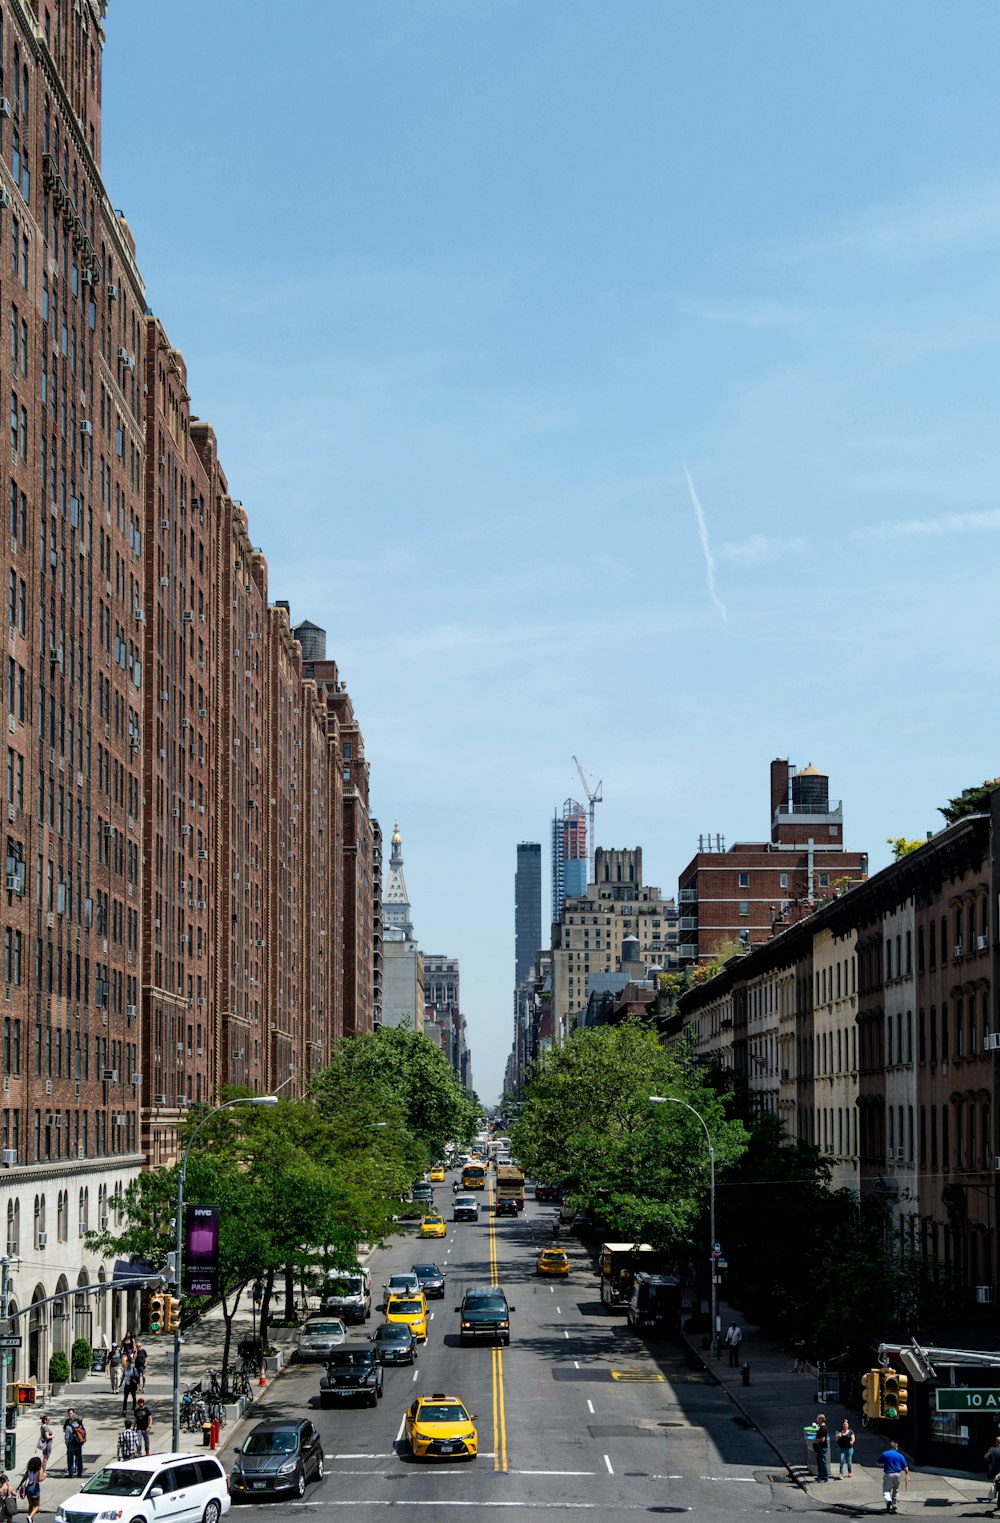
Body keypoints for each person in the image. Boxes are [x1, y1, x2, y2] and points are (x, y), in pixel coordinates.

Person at [878, 1440, 909, 1513]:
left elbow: (878, 1462)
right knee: (896, 1489)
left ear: (889, 1447)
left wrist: (882, 1465)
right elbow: (906, 1468)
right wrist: (907, 1475)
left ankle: (888, 1501)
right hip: (898, 1474)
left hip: (888, 1474)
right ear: (897, 1448)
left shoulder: (885, 1454)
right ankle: (894, 1505)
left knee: (886, 1490)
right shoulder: (900, 1456)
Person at [63, 1409, 84, 1479]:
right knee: (79, 1458)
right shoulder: (79, 1422)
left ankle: (71, 1474)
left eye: (71, 1413)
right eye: (69, 1413)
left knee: (70, 1459)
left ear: (74, 1413)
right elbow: (83, 1431)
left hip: (71, 1443)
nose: (70, 1415)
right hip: (78, 1443)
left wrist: (67, 1444)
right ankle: (80, 1473)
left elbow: (66, 1437)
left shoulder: (68, 1426)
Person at [35, 1415, 54, 1480]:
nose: (49, 1421)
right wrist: (53, 1436)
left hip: (47, 1444)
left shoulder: (43, 1427)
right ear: (45, 1420)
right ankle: (43, 1472)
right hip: (47, 1444)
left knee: (45, 1458)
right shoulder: (45, 1428)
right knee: (45, 1458)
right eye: (48, 1420)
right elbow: (47, 1436)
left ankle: (43, 1471)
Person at [984, 1434, 1000, 1509]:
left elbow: (985, 1457)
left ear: (996, 1443)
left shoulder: (992, 1449)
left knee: (997, 1486)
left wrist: (992, 1461)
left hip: (995, 1472)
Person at [813, 1413, 830, 1482]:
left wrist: (815, 1440)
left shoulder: (823, 1428)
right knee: (819, 1461)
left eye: (818, 1418)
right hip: (820, 1447)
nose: (817, 1419)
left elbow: (822, 1439)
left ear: (821, 1419)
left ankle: (825, 1477)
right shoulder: (821, 1427)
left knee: (823, 1462)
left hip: (822, 1447)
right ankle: (820, 1476)